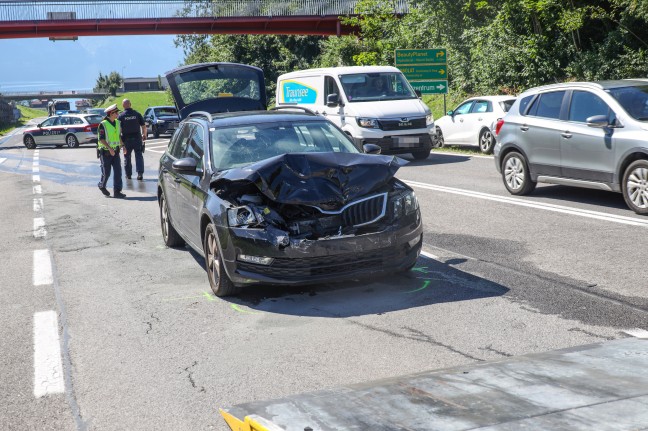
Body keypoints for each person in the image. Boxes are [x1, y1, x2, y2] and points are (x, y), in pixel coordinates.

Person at [97, 104, 126, 198]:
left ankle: (117, 191)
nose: (118, 114)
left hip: (116, 152)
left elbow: (118, 136)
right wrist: (109, 148)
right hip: (105, 152)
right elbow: (101, 139)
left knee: (118, 171)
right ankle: (102, 185)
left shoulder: (118, 122)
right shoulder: (103, 124)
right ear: (111, 113)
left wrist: (123, 145)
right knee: (107, 172)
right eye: (116, 112)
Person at [118, 99, 147, 180]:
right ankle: (140, 174)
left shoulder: (121, 116)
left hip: (126, 140)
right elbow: (144, 126)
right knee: (139, 156)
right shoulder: (137, 114)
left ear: (123, 106)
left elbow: (119, 131)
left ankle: (128, 175)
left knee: (127, 157)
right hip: (137, 138)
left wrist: (121, 142)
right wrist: (144, 135)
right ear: (130, 104)